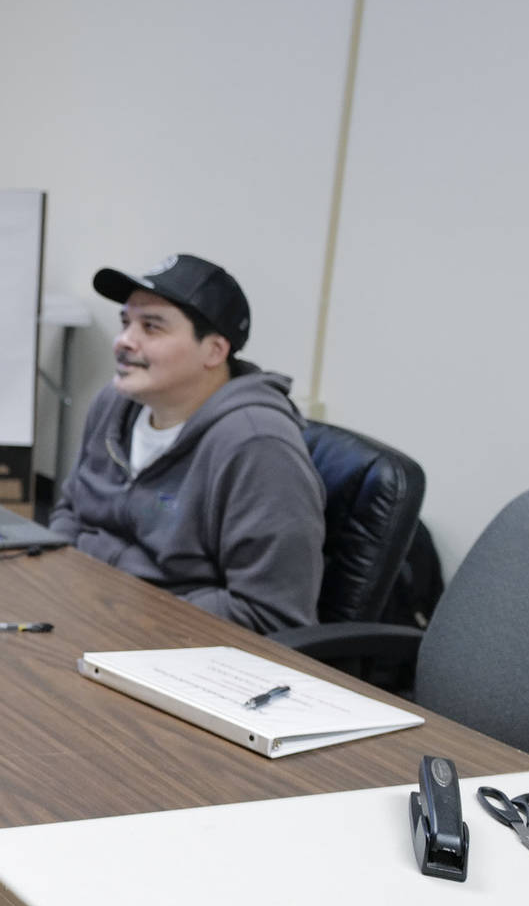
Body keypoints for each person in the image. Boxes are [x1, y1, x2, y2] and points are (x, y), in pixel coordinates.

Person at [49, 253, 324, 633]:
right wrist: (52, 577)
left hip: (177, 645)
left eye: (152, 327)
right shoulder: (113, 404)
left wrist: (128, 613)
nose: (125, 341)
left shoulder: (257, 444)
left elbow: (271, 612)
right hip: (85, 613)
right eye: (126, 322)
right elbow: (69, 511)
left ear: (214, 351)